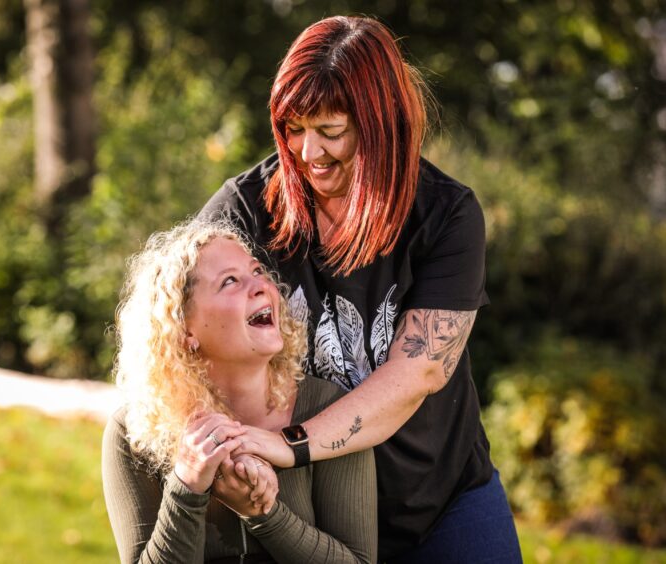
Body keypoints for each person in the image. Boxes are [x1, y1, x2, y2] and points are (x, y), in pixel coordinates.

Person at [201, 15, 523, 563]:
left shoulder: (446, 214)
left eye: (331, 131)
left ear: (381, 125)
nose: (308, 153)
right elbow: (174, 314)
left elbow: (420, 369)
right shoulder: (244, 210)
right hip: (308, 507)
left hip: (440, 501)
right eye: (294, 128)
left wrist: (291, 444)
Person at [101, 218, 377, 563]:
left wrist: (264, 514)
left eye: (257, 271)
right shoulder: (135, 432)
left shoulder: (330, 411)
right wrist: (186, 486)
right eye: (230, 281)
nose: (262, 286)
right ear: (184, 328)